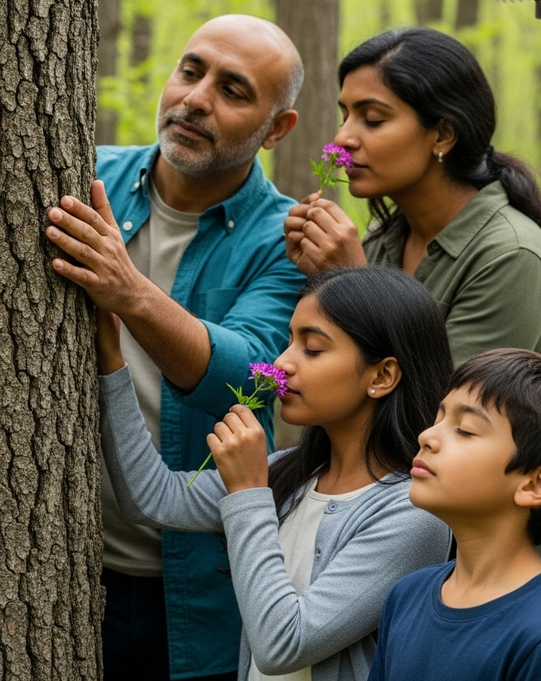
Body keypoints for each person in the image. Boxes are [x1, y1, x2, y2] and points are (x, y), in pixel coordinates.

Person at [45, 14, 306, 680]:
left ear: (277, 129)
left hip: (197, 590)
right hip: (52, 563)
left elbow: (242, 374)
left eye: (234, 90)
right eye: (191, 71)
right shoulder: (84, 177)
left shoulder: (285, 241)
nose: (196, 98)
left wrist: (126, 289)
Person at [284, 26, 541, 583]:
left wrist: (353, 286)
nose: (345, 137)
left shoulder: (510, 255)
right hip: (377, 553)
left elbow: (445, 425)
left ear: (441, 133)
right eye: (344, 113)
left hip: (482, 575)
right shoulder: (383, 243)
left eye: (373, 118)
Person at [97, 266, 453, 681]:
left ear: (382, 376)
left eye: (313, 349)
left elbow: (283, 644)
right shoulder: (292, 472)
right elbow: (150, 497)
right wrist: (111, 364)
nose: (282, 363)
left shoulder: (413, 512)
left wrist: (247, 492)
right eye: (289, 341)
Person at [367, 348, 541, 681]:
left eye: (464, 429)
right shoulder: (405, 596)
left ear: (536, 484)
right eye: (439, 418)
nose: (427, 437)